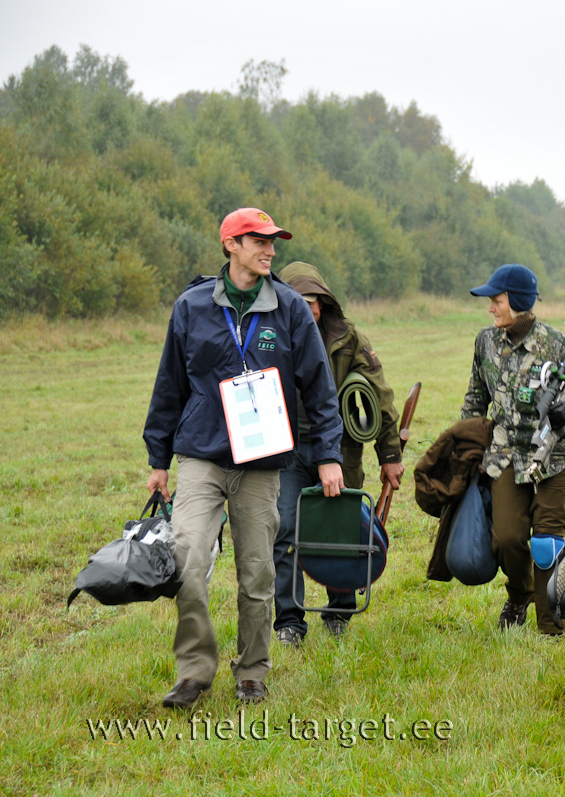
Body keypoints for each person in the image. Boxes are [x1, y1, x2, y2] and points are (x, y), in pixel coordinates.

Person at [144, 208, 344, 709]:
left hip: (261, 462)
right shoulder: (191, 306)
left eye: (273, 242)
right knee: (188, 560)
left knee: (257, 573)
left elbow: (319, 388)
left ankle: (252, 671)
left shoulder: (291, 307)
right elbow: (169, 384)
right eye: (260, 241)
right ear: (231, 244)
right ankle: (194, 673)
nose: (270, 250)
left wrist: (328, 454)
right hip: (202, 455)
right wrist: (158, 459)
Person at [271, 261, 405, 645]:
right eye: (300, 300)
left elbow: (379, 397)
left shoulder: (349, 339)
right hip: (286, 452)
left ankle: (339, 611)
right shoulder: (269, 335)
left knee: (343, 529)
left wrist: (390, 455)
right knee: (283, 530)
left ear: (325, 301)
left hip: (340, 450)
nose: (309, 308)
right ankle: (290, 622)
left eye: (314, 301)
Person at [460, 264, 565, 636]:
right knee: (507, 538)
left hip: (555, 456)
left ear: (517, 301)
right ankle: (520, 594)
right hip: (505, 456)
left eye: (496, 301)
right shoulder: (485, 341)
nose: (490, 308)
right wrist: (466, 447)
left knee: (546, 542)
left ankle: (551, 622)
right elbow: (475, 398)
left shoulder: (557, 344)